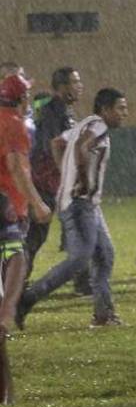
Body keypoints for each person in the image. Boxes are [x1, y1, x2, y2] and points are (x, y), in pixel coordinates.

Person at [17, 89, 128, 329]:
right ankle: (26, 299)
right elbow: (82, 147)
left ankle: (104, 314)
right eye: (120, 108)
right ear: (105, 109)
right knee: (79, 260)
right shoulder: (98, 126)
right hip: (80, 203)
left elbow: (57, 143)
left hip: (86, 203)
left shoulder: (85, 123)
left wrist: (67, 173)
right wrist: (82, 180)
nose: (124, 113)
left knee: (104, 254)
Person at [0, 74, 52, 334]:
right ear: (21, 98)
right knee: (16, 256)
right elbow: (16, 168)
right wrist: (37, 203)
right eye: (27, 94)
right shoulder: (13, 124)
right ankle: (5, 316)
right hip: (8, 203)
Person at [27, 67, 82, 276]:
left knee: (80, 229)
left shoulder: (65, 111)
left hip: (54, 182)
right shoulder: (53, 111)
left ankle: (84, 279)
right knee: (35, 235)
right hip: (46, 182)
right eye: (75, 82)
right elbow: (53, 146)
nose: (79, 86)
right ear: (62, 87)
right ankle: (14, 279)